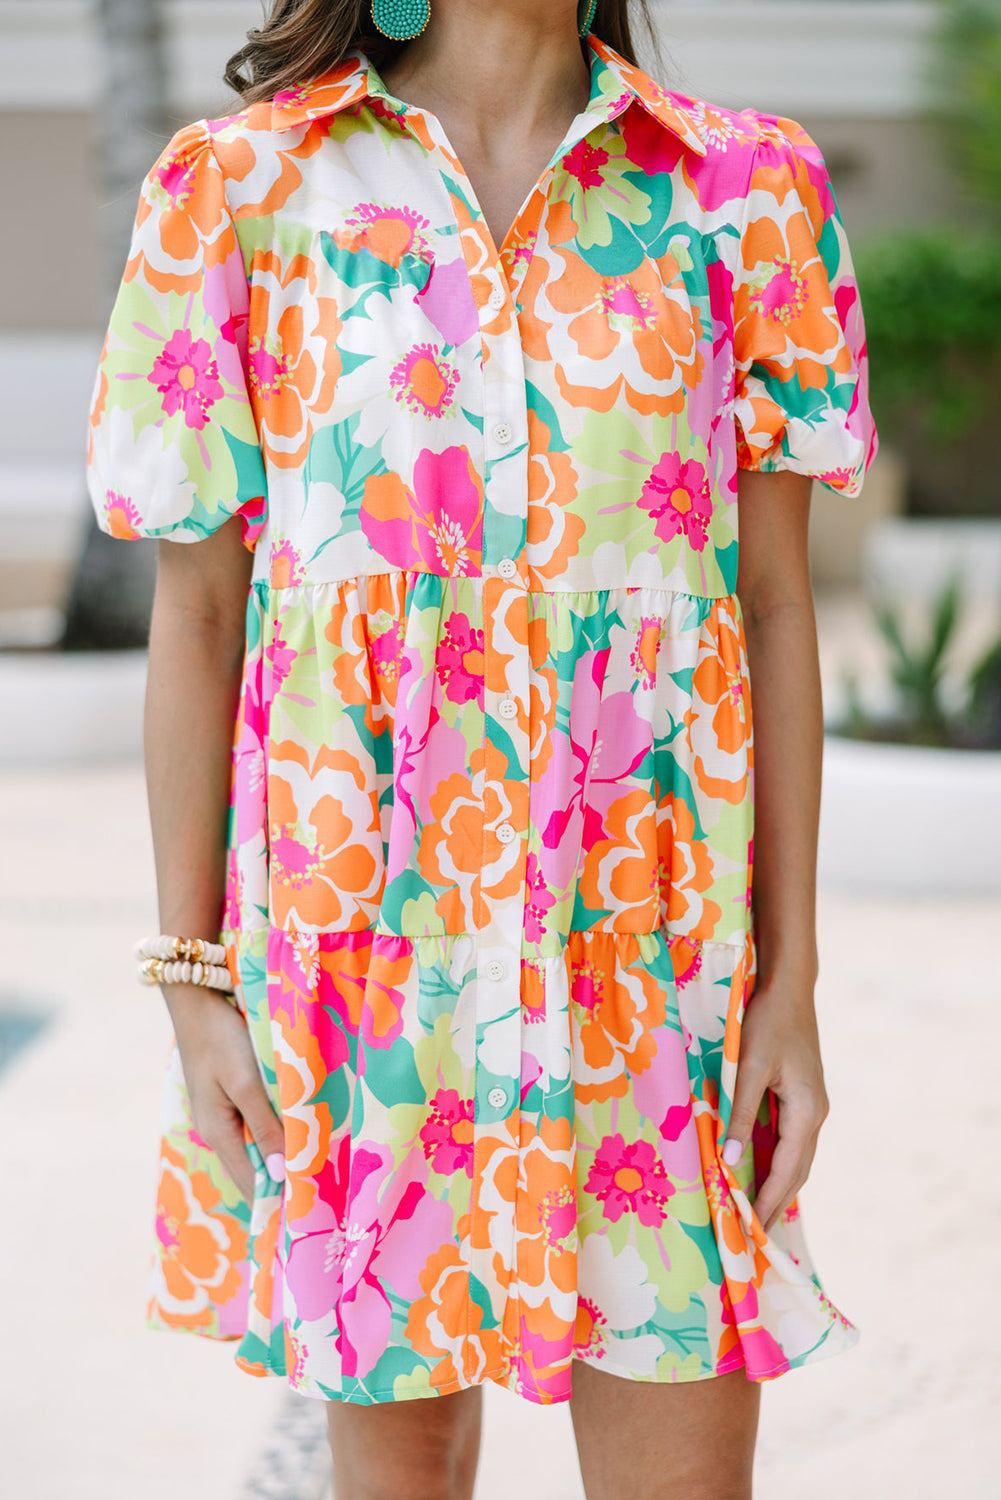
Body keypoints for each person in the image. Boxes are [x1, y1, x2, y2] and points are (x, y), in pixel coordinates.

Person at [85, 0, 877, 1495]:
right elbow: (196, 616)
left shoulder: (743, 190)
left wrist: (791, 982)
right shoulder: (238, 191)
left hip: (652, 969)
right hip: (363, 973)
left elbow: (773, 607)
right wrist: (194, 986)